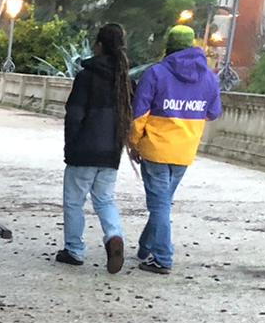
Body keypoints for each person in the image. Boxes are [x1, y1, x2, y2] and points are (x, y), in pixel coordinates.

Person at [128, 24, 223, 275]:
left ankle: (163, 257)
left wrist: (134, 142)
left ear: (169, 46)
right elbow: (213, 113)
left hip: (156, 149)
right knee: (163, 203)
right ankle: (145, 247)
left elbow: (139, 115)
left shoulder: (155, 73)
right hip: (184, 151)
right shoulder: (209, 77)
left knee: (159, 205)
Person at [56, 23, 134, 273]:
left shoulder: (86, 77)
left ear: (98, 46)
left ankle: (74, 250)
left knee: (74, 201)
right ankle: (114, 235)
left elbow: (74, 114)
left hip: (84, 150)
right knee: (105, 199)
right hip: (111, 152)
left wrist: (71, 147)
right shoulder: (125, 81)